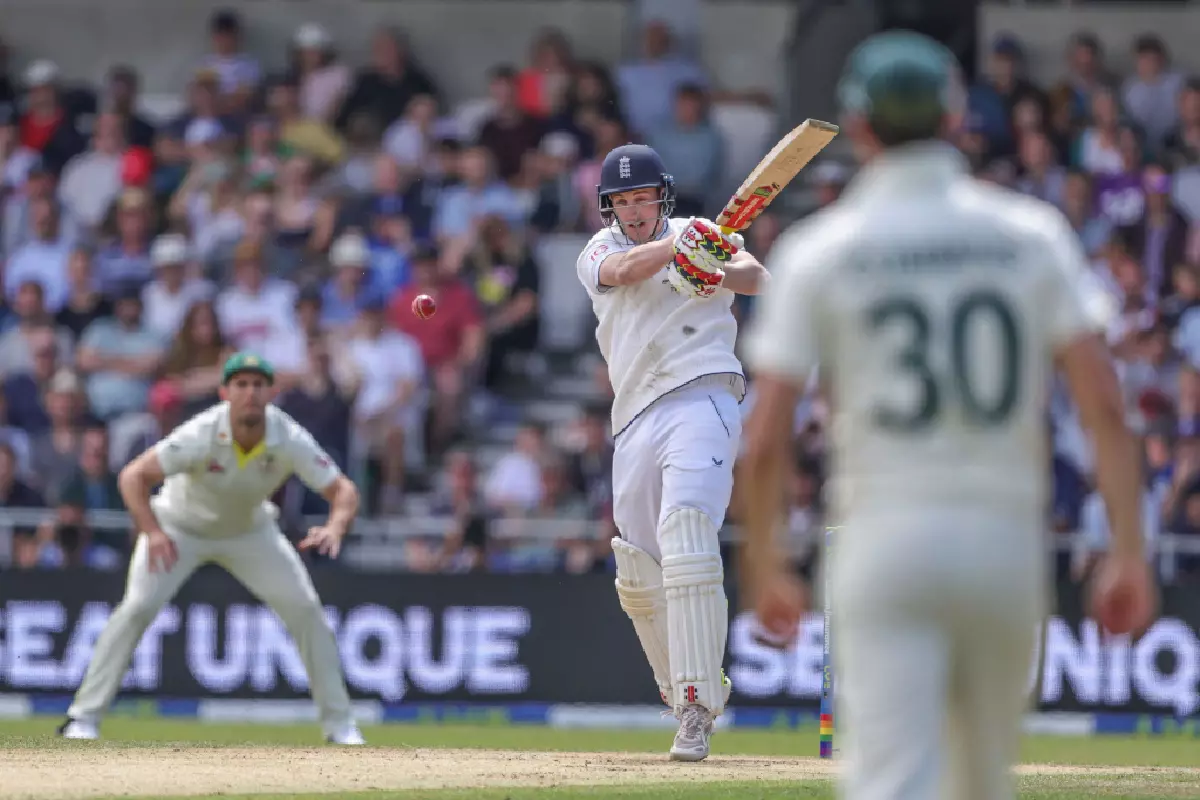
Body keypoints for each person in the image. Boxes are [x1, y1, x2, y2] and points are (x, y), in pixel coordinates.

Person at [737, 32, 1157, 800]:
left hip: (883, 538)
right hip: (1002, 542)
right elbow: (1103, 401)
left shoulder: (820, 250)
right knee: (981, 787)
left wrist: (766, 564)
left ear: (858, 127)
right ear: (958, 116)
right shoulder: (1029, 234)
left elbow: (763, 442)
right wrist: (1128, 546)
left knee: (893, 784)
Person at [57, 352, 366, 745]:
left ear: (270, 393)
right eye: (241, 384)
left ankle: (340, 726)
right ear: (224, 392)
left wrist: (336, 525)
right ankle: (83, 718)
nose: (250, 393)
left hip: (250, 532)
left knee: (306, 610)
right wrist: (152, 531)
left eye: (258, 385)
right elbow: (134, 477)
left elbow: (343, 491)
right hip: (179, 528)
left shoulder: (286, 436)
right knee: (136, 609)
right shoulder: (201, 432)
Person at [574, 141, 768, 760]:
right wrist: (680, 255)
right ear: (610, 207)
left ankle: (697, 707)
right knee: (637, 570)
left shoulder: (701, 234)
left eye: (643, 198)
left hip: (704, 393)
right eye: (622, 201)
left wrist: (716, 267)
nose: (634, 211)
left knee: (687, 531)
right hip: (634, 413)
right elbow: (627, 272)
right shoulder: (599, 250)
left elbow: (758, 279)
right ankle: (675, 690)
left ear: (663, 195)